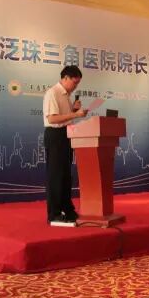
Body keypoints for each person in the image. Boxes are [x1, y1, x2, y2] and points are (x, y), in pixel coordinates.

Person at [42, 66, 88, 225]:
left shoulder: (66, 96)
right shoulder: (53, 93)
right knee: (56, 175)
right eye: (74, 82)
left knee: (66, 176)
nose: (75, 86)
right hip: (55, 135)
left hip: (66, 135)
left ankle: (67, 210)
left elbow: (65, 117)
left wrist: (73, 109)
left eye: (78, 84)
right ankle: (54, 214)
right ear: (65, 78)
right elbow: (52, 119)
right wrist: (75, 114)